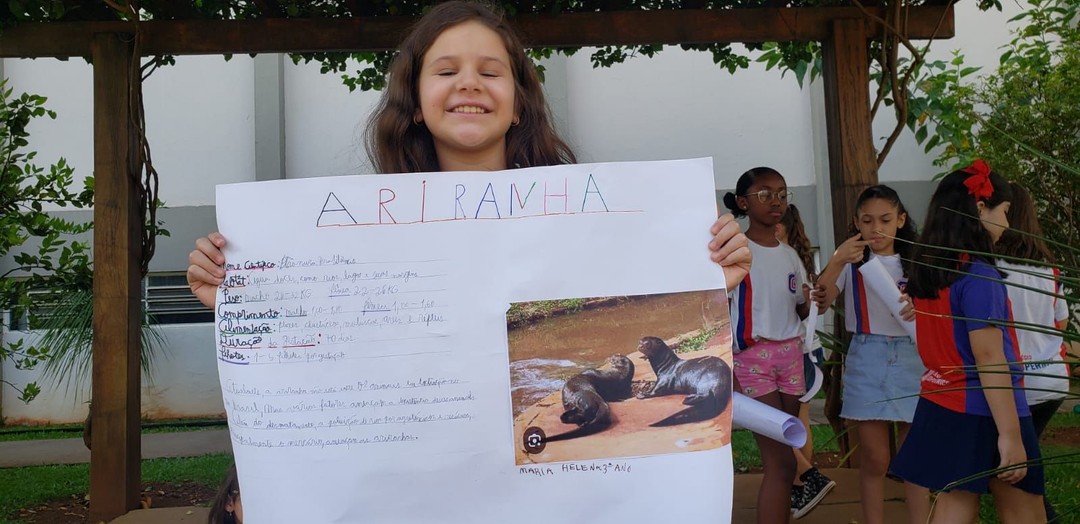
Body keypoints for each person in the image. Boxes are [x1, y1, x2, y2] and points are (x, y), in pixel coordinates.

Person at [187, 1, 751, 307]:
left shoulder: (585, 219)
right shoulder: (359, 233)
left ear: (517, 106)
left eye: (490, 71)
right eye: (446, 71)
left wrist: (705, 278)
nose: (469, 84)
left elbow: (626, 308)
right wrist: (237, 301)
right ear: (413, 104)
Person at [891, 161, 1046, 523]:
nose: (1007, 225)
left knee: (952, 505)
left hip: (941, 404)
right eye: (1005, 212)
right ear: (980, 208)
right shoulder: (979, 276)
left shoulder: (930, 272)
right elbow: (989, 356)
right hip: (986, 409)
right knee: (1026, 513)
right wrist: (1009, 434)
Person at [811, 185, 929, 524]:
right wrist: (836, 260)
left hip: (912, 356)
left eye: (885, 219)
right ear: (856, 223)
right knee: (875, 458)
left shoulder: (918, 261)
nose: (876, 228)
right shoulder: (852, 262)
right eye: (867, 220)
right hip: (867, 355)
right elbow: (822, 298)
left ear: (901, 220)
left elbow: (938, 308)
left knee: (913, 455)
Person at [724, 167, 809, 524]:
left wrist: (811, 299)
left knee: (788, 453)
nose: (775, 200)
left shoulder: (789, 254)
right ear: (743, 202)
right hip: (752, 358)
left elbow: (798, 306)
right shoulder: (736, 253)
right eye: (764, 194)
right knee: (780, 461)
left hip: (790, 355)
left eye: (781, 192)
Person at [996, 182, 1069, 522]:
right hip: (1052, 380)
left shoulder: (992, 268)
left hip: (1016, 387)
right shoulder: (1049, 265)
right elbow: (1062, 321)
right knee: (1025, 462)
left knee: (1021, 471)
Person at [776, 204, 836, 519]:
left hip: (797, 352)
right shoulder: (795, 257)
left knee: (786, 421)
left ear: (784, 228)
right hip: (801, 350)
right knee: (798, 420)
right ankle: (802, 483)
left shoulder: (787, 259)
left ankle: (806, 478)